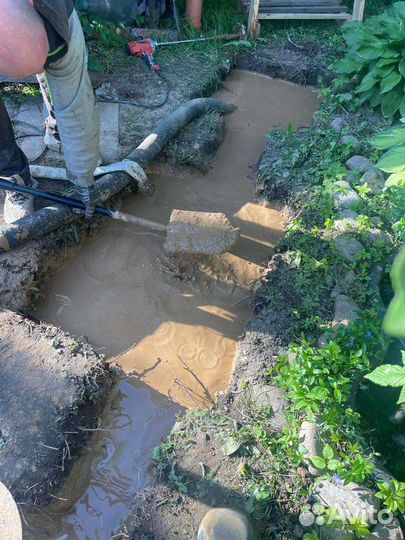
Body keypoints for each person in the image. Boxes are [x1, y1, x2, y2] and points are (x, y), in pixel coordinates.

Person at [0, 0, 100, 223]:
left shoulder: (59, 21)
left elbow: (76, 106)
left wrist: (83, 178)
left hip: (52, 25)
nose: (37, 73)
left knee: (68, 97)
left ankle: (59, 131)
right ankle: (14, 176)